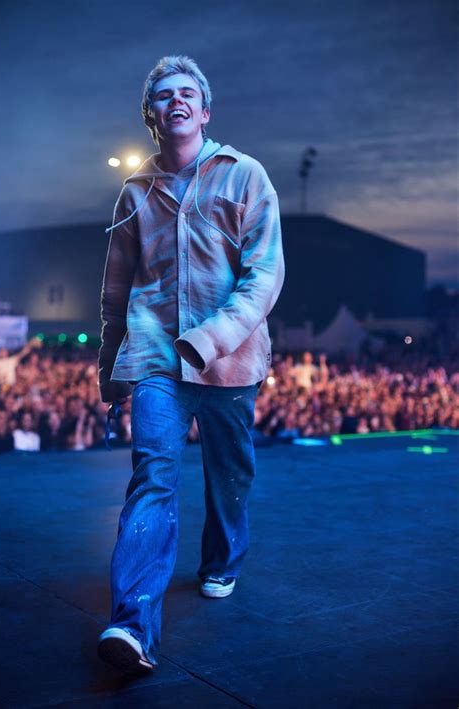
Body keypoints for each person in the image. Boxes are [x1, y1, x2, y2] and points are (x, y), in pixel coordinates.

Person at [96, 55, 285, 673]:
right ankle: (133, 625)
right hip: (155, 357)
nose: (175, 101)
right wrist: (109, 363)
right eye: (162, 96)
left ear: (205, 111)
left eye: (187, 94)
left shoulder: (246, 175)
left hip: (231, 363)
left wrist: (213, 338)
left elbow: (264, 275)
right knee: (152, 478)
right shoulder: (134, 193)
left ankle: (222, 561)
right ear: (151, 117)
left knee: (231, 475)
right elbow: (117, 289)